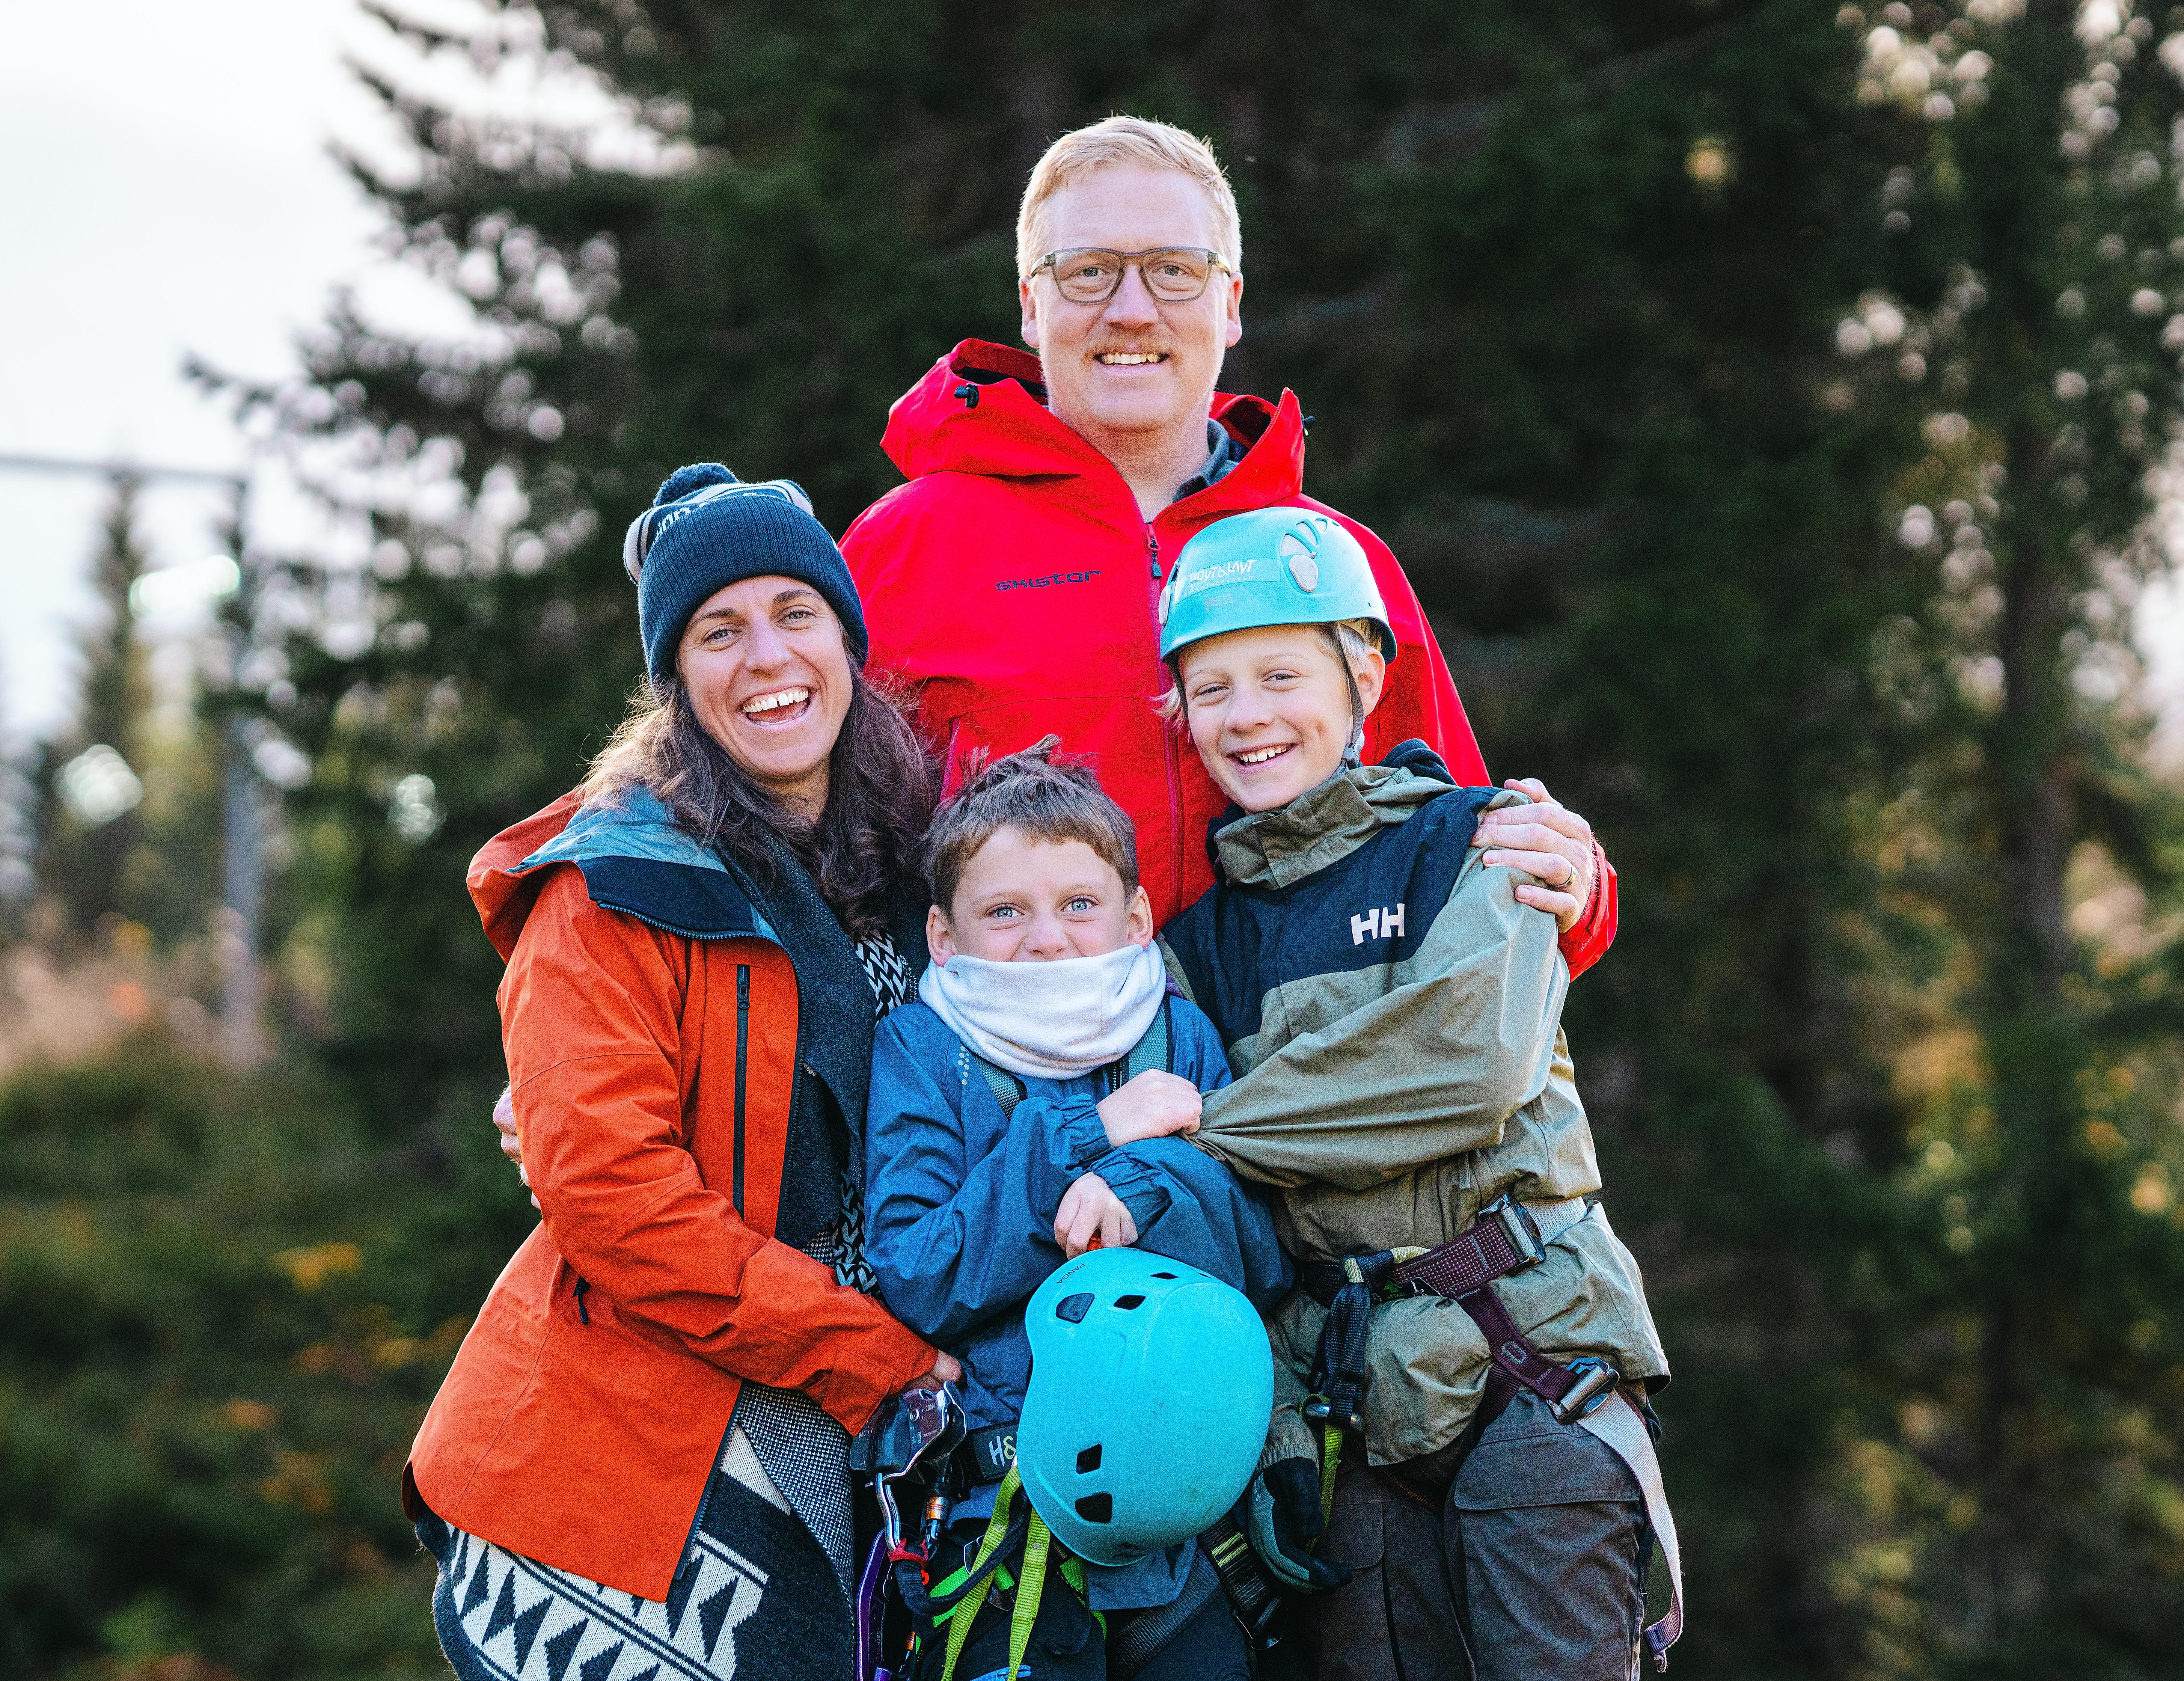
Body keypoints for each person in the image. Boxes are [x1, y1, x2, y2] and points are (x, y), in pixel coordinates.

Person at [405, 466, 960, 1681]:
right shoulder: (611, 881)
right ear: (676, 673)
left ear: (846, 636)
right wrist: (878, 1359)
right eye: (719, 629)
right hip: (679, 1427)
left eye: (794, 611)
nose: (766, 655)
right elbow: (615, 1199)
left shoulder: (916, 849)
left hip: (897, 1412)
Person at [840, 115, 1617, 970]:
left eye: (1173, 271)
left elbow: (1458, 853)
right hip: (1006, 1096)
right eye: (1088, 272)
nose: (1130, 311)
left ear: (1231, 303)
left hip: (1300, 1081)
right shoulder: (903, 549)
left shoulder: (1331, 561)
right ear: (1031, 304)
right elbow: (810, 862)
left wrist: (1573, 889)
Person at [1155, 509, 1679, 1681]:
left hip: (1535, 1363)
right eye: (1211, 687)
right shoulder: (1196, 949)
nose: (1247, 716)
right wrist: (1281, 1430)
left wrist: (1220, 1119)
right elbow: (1229, 1221)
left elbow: (1467, 1064)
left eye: (1280, 674)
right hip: (1354, 1412)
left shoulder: (1485, 839)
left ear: (1365, 675)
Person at [862, 742, 1291, 1681]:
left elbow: (1258, 1246)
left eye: (1078, 905)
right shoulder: (925, 1047)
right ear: (943, 936)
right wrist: (1084, 1133)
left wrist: (1143, 1184)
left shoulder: (1177, 1028)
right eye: (1005, 912)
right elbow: (919, 1272)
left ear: (1136, 917)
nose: (1047, 938)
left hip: (1190, 1517)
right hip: (1005, 1516)